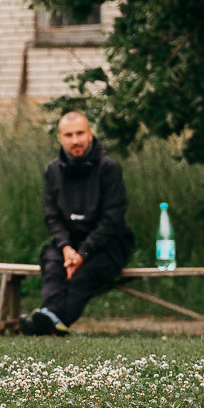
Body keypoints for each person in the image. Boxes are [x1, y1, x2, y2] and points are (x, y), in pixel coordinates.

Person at [19, 112, 134, 336]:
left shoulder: (109, 168)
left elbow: (113, 219)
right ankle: (50, 317)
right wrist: (66, 248)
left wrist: (83, 254)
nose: (75, 140)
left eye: (80, 133)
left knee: (84, 275)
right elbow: (52, 217)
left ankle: (49, 322)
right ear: (60, 138)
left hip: (108, 244)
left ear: (90, 134)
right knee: (52, 264)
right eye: (69, 135)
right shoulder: (53, 171)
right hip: (69, 243)